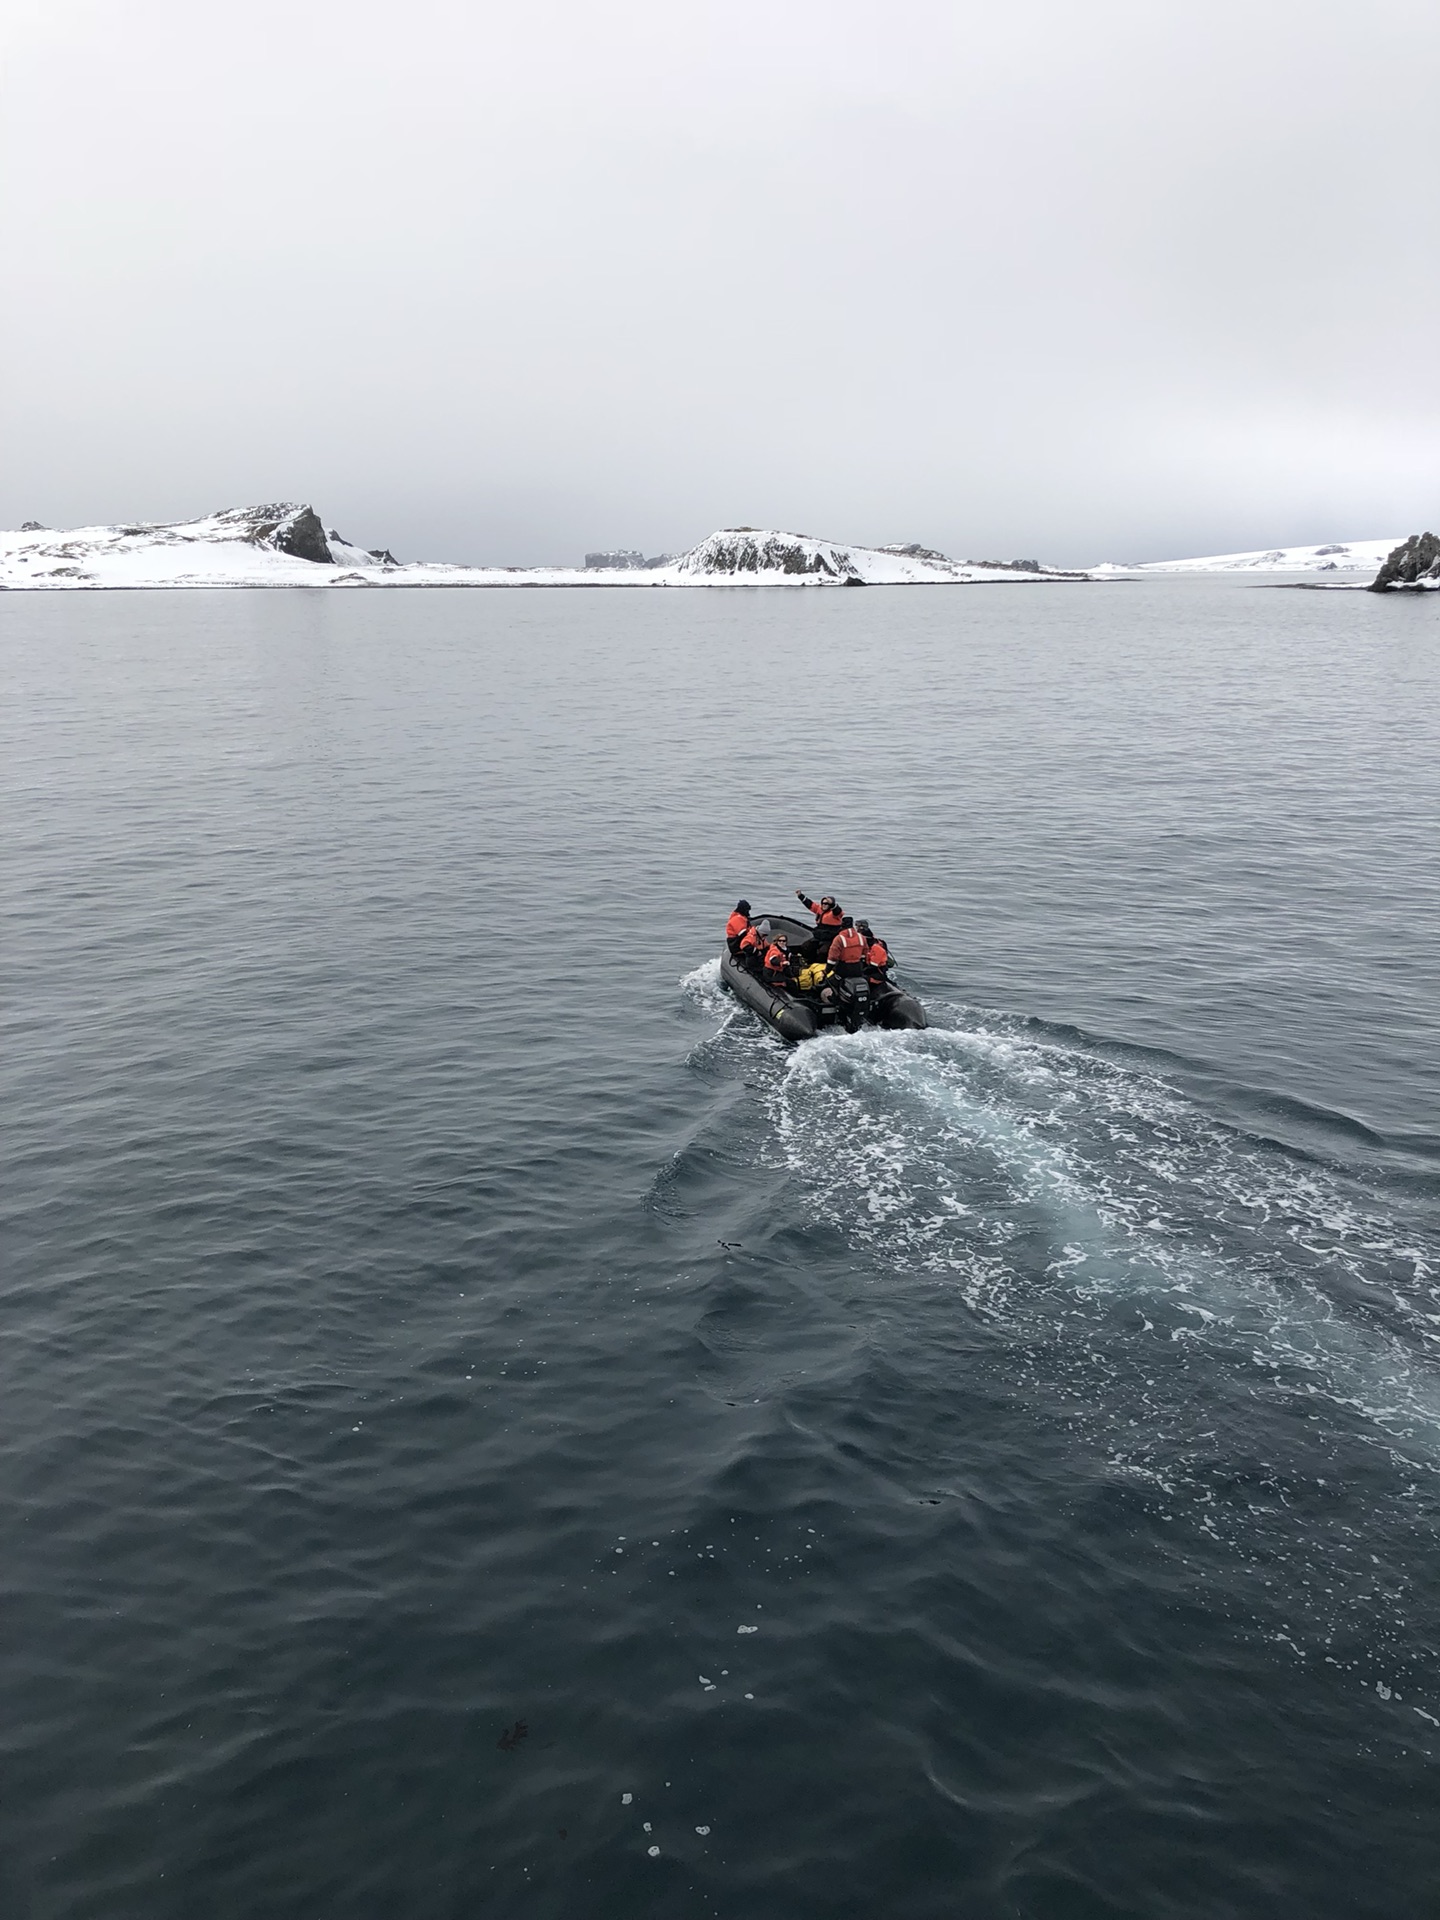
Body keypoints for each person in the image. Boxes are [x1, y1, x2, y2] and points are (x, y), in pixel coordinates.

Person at [826, 915, 867, 980]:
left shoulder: (839, 938)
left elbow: (832, 958)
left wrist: (826, 971)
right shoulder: (861, 937)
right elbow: (865, 953)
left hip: (844, 968)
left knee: (829, 982)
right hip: (857, 968)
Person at [857, 920, 892, 986]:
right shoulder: (873, 943)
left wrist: (859, 972)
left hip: (877, 975)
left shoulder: (877, 949)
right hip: (873, 970)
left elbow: (873, 967)